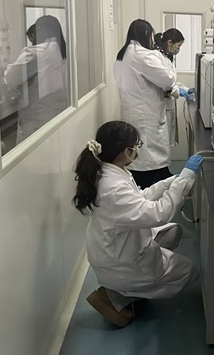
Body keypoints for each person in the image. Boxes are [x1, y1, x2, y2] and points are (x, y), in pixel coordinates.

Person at [73, 120, 204, 327]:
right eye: (137, 146)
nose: (138, 150)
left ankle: (126, 290)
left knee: (173, 232)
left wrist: (170, 182)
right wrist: (185, 178)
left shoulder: (109, 171)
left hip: (115, 248)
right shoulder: (113, 187)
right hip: (120, 265)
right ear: (127, 151)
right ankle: (118, 297)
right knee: (188, 271)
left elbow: (139, 198)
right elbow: (159, 213)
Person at [114, 20, 184, 188]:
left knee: (139, 158)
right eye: (152, 36)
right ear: (146, 35)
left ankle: (149, 187)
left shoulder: (122, 56)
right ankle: (156, 191)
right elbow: (168, 79)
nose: (153, 40)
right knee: (150, 160)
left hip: (133, 114)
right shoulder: (143, 55)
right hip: (148, 116)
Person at [5, 15, 68, 144]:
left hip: (36, 117)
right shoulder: (61, 51)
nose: (32, 42)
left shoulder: (35, 53)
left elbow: (10, 78)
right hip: (57, 112)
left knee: (30, 151)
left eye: (32, 38)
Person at [154, 28, 195, 151]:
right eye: (178, 46)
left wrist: (184, 89)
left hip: (167, 104)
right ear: (169, 42)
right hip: (160, 107)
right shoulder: (158, 57)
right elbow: (165, 83)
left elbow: (171, 81)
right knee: (161, 145)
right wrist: (177, 91)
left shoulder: (167, 57)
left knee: (165, 144)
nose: (178, 49)